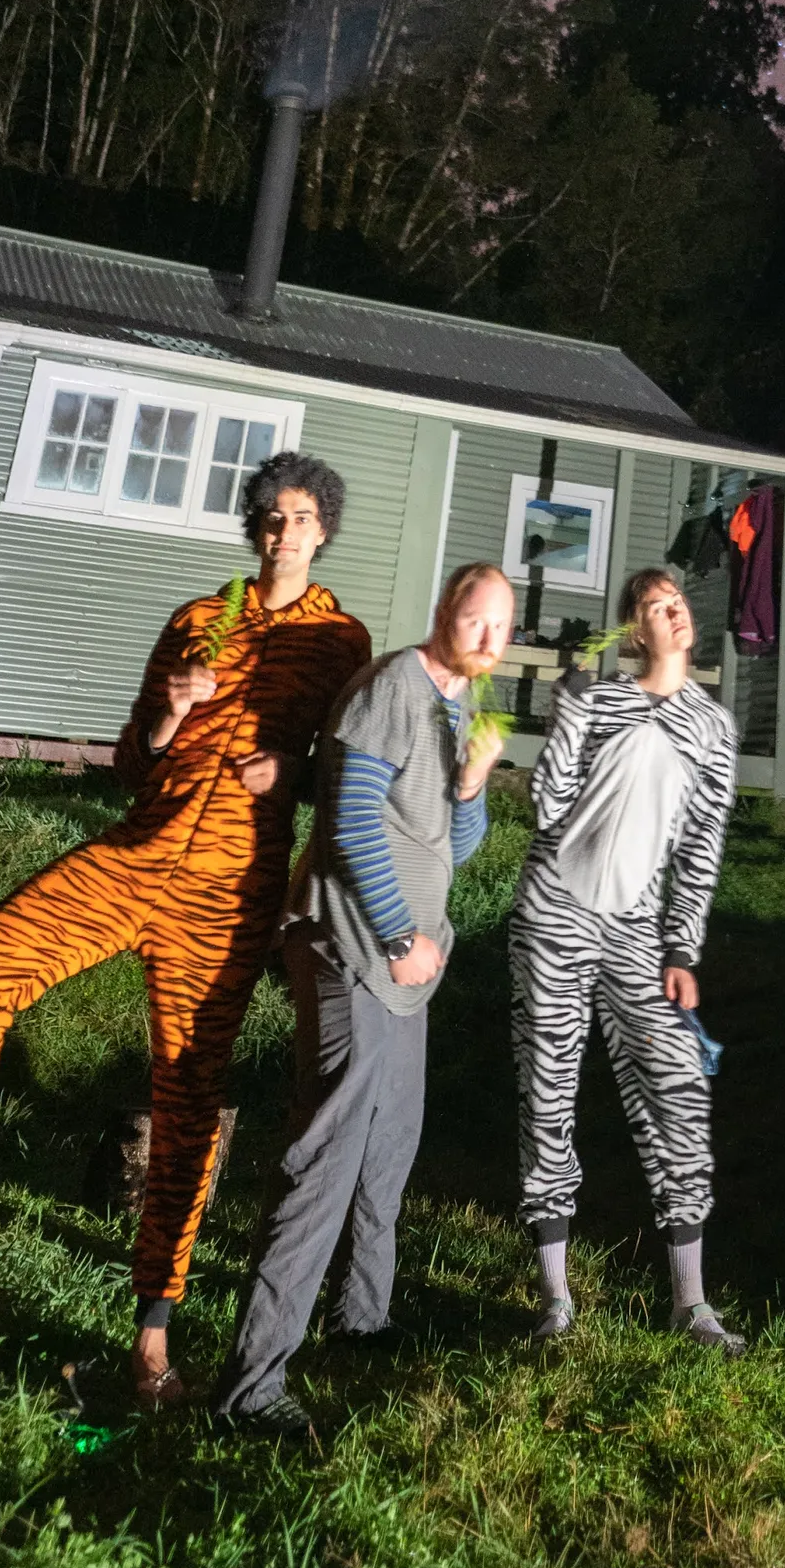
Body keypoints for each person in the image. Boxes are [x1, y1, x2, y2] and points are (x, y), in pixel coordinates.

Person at [0, 453, 369, 1407]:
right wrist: (170, 714)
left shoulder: (342, 641)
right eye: (270, 515)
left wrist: (292, 775)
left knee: (188, 1101)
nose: (282, 531)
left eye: (300, 517)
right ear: (254, 525)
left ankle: (152, 1340)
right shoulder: (196, 620)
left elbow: (349, 776)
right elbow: (132, 760)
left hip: (229, 893)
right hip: (134, 857)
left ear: (322, 529)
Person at [211, 560, 516, 1432]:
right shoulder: (391, 686)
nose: (489, 638)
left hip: (406, 968)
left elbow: (453, 844)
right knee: (329, 1150)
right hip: (352, 943)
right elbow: (347, 824)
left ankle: (361, 1315)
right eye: (476, 617)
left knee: (392, 1139)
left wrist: (472, 783)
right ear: (444, 608)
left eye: (503, 626)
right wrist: (397, 934)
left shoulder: (461, 707)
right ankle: (249, 1388)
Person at [508, 564, 742, 1351]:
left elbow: (701, 846)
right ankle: (555, 1297)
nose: (672, 613)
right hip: (554, 911)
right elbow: (546, 805)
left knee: (677, 1086)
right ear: (635, 628)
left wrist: (682, 945)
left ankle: (691, 1302)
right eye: (654, 606)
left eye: (676, 602)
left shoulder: (712, 727)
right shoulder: (599, 698)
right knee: (549, 1086)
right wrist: (569, 714)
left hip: (639, 930)